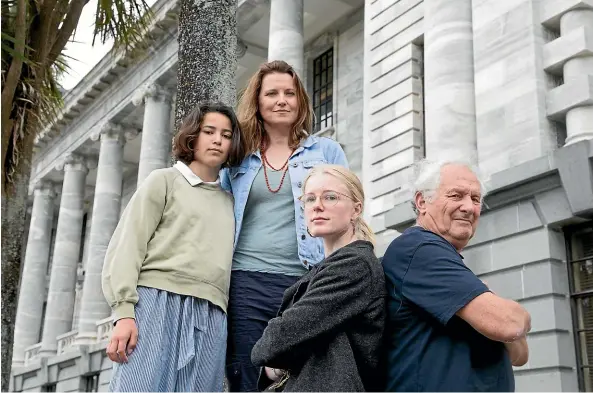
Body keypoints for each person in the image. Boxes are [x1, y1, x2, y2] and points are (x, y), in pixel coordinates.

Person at [220, 60, 348, 392]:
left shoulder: (326, 151)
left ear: (300, 101)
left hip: (307, 280)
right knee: (245, 374)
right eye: (272, 93)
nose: (282, 100)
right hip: (246, 280)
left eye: (290, 93)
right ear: (258, 102)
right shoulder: (237, 156)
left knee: (305, 375)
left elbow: (347, 212)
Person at [102, 102, 244, 392]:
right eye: (209, 131)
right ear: (193, 135)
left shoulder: (231, 202)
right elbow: (128, 246)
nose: (218, 140)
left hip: (211, 314)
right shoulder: (163, 181)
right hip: (156, 303)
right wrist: (124, 312)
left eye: (226, 135)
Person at [382, 159, 531, 392]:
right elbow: (509, 325)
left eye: (475, 199)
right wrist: (518, 315)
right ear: (422, 202)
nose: (469, 207)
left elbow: (520, 355)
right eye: (456, 195)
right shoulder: (418, 248)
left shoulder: (446, 262)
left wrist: (500, 315)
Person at [251, 164, 386, 392]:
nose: (317, 207)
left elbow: (274, 342)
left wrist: (275, 356)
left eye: (330, 197)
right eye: (310, 199)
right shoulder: (331, 266)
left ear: (356, 209)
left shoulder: (354, 265)